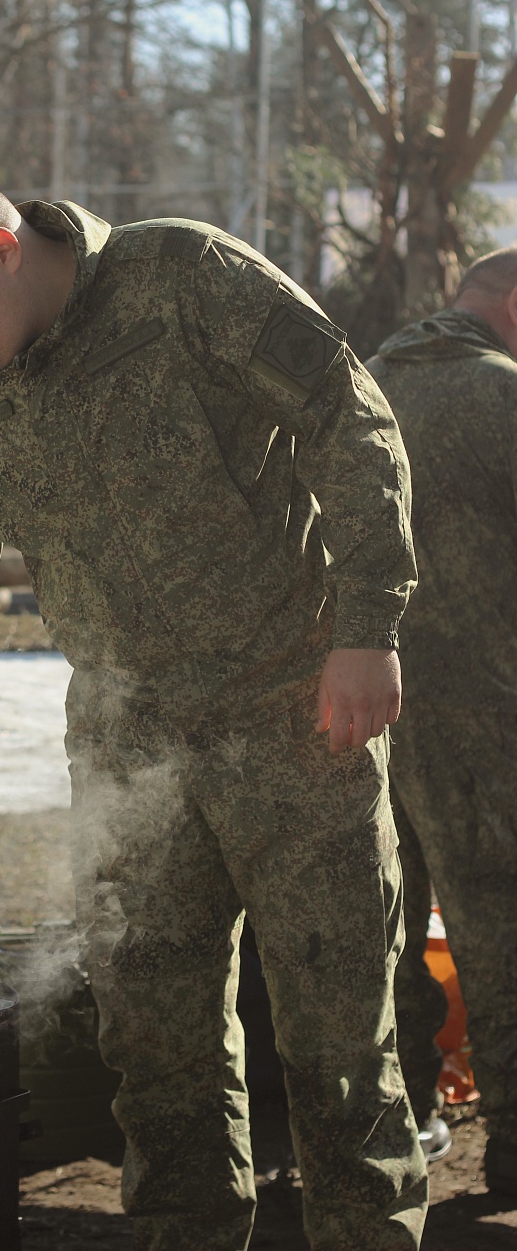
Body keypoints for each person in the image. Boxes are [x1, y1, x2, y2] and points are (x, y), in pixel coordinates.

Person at [0, 165, 427, 1250]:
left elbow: (350, 422)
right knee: (155, 1055)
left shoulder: (181, 279)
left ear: (4, 247)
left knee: (337, 1050)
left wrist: (365, 629)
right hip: (125, 749)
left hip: (293, 718)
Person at [368, 248, 517, 1199]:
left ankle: (395, 1137)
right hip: (486, 713)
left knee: (384, 932)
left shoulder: (370, 379)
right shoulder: (502, 395)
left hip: (365, 701)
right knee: (500, 928)